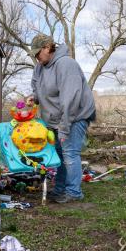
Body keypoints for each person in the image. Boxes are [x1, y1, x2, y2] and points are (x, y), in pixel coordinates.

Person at [27, 34, 95, 203]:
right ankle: (60, 189)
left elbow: (70, 99)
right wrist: (34, 97)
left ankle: (74, 192)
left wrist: (64, 128)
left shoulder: (66, 64)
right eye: (34, 54)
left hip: (75, 115)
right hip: (55, 117)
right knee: (59, 155)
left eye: (38, 53)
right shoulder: (40, 67)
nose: (36, 57)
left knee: (69, 153)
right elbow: (39, 88)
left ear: (48, 47)